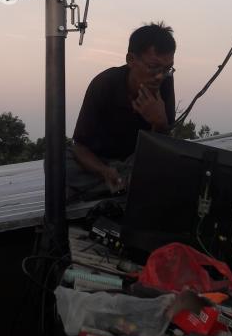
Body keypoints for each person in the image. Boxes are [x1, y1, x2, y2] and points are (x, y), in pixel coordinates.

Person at [66, 22, 176, 201]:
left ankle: (117, 186)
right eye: (153, 67)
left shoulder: (165, 83)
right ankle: (121, 184)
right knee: (57, 161)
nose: (159, 76)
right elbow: (79, 146)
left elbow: (162, 149)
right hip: (100, 163)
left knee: (176, 163)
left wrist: (160, 123)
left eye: (167, 69)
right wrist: (104, 171)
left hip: (138, 162)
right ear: (131, 60)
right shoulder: (105, 84)